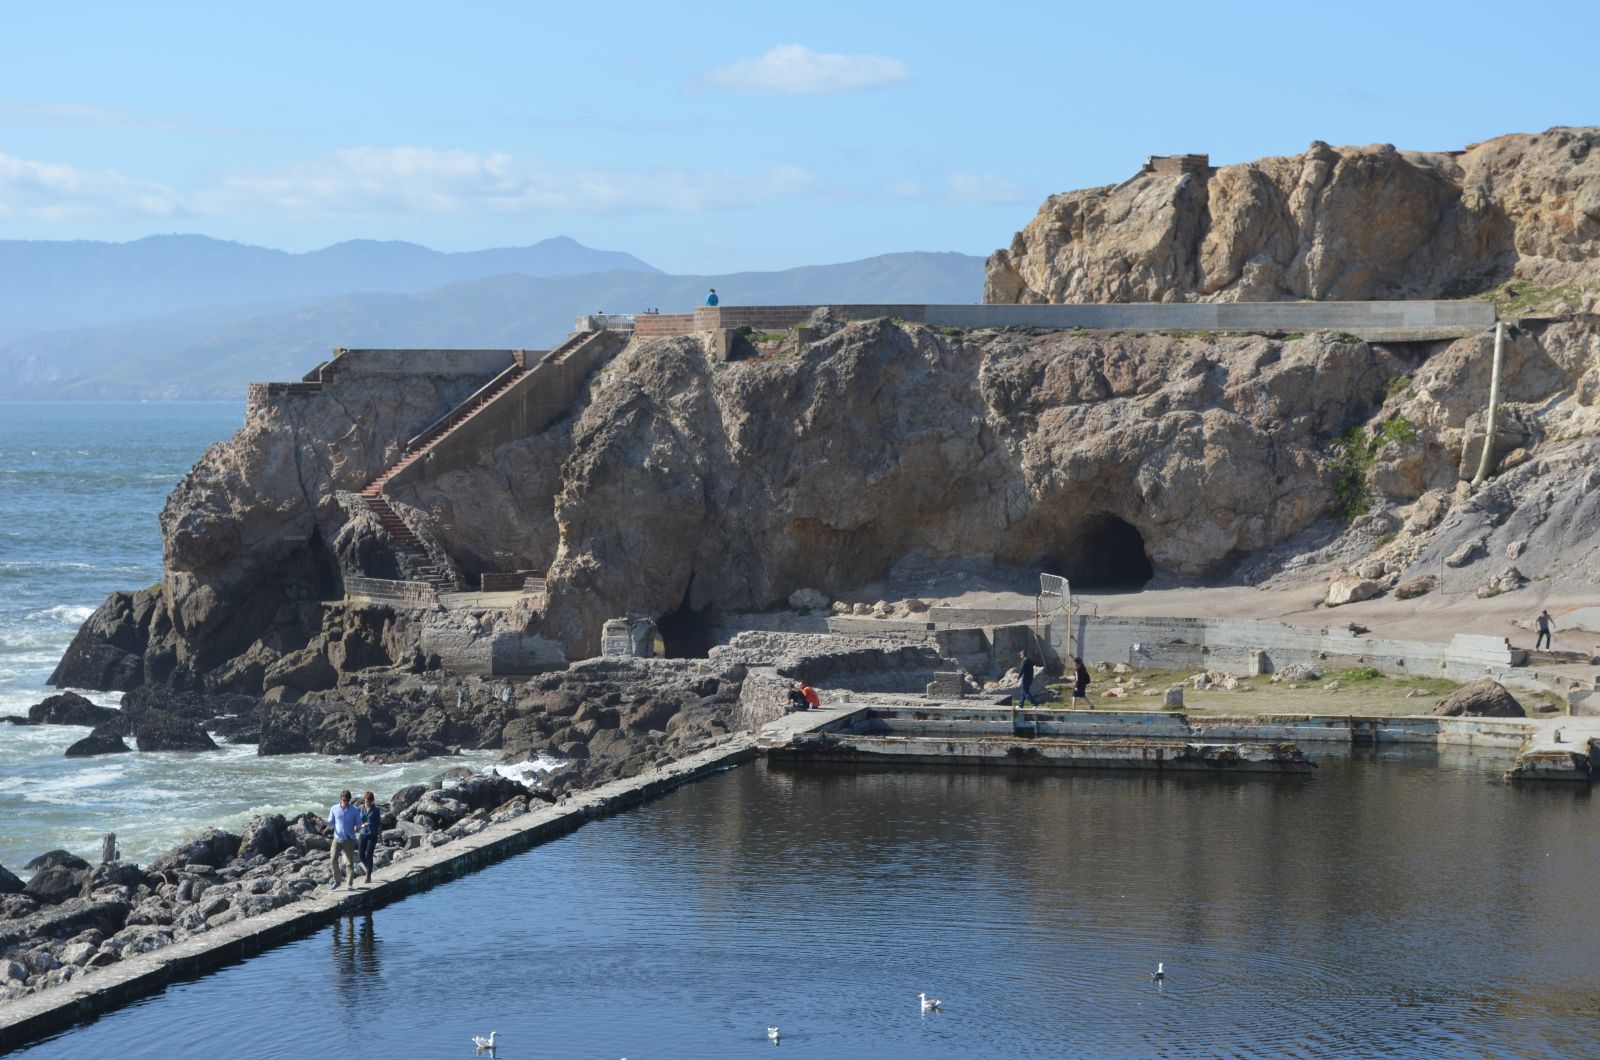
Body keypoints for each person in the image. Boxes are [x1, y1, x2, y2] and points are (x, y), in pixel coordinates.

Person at [327, 789, 361, 890]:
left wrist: (361, 826)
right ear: (340, 799)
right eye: (343, 800)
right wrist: (322, 822)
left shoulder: (354, 810)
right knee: (333, 860)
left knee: (349, 863)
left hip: (349, 839)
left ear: (349, 800)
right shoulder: (334, 808)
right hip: (337, 838)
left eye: (347, 800)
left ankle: (349, 884)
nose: (345, 802)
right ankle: (337, 881)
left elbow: (358, 823)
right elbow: (331, 822)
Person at [355, 790, 380, 885]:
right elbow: (357, 821)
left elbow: (378, 823)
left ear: (372, 801)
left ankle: (368, 876)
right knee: (361, 855)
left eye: (369, 801)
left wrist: (380, 836)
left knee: (369, 854)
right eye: (366, 800)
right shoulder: (360, 809)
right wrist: (359, 826)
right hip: (363, 833)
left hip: (372, 835)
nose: (367, 802)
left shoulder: (376, 810)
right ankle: (369, 868)